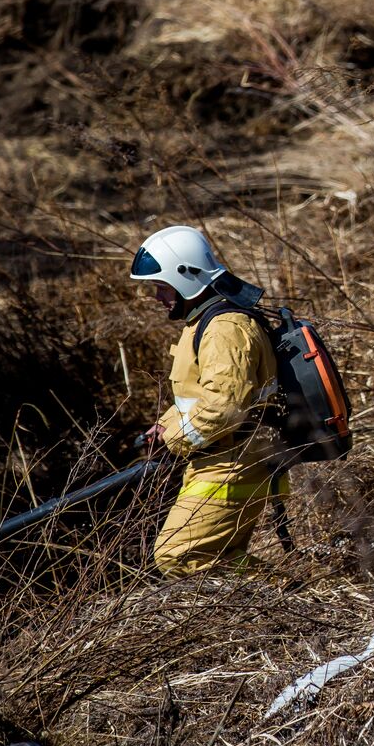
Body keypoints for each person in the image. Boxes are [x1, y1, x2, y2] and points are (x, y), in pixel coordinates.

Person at [130, 225, 283, 576]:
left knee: (177, 555)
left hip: (233, 464)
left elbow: (225, 406)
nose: (156, 296)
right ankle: (282, 601)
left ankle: (294, 598)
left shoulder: (225, 327)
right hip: (220, 460)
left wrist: (175, 440)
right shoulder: (203, 323)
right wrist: (165, 426)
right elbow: (198, 395)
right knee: (221, 555)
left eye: (161, 286)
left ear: (185, 278)